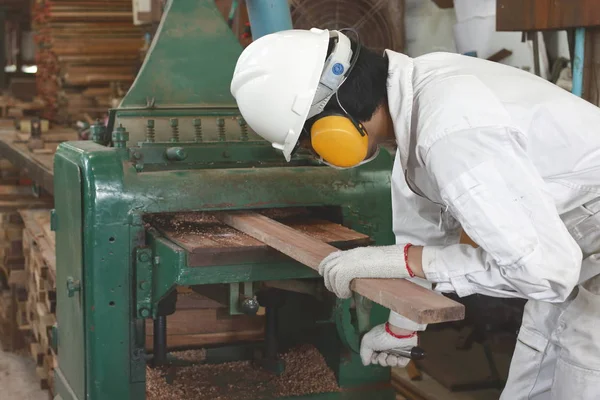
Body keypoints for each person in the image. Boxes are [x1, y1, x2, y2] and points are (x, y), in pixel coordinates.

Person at [230, 28, 600, 399]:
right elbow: (424, 220)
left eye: (312, 144)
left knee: (584, 361)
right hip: (577, 250)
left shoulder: (451, 130)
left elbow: (545, 273)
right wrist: (402, 326)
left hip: (574, 260)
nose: (319, 156)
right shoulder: (415, 94)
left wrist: (406, 261)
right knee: (535, 375)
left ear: (335, 124)